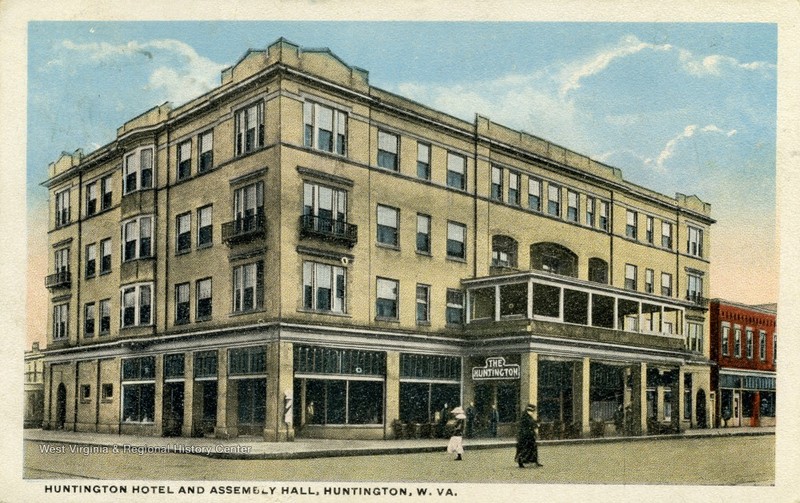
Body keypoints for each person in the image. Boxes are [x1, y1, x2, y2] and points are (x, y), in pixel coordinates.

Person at [515, 403, 542, 468]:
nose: (534, 412)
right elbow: (531, 425)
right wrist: (537, 424)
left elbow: (532, 424)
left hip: (528, 436)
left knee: (532, 449)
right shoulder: (526, 417)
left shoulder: (527, 416)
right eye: (533, 411)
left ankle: (534, 461)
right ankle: (521, 461)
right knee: (525, 450)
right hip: (526, 436)